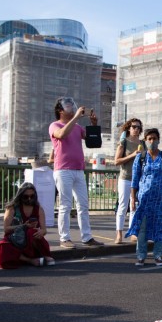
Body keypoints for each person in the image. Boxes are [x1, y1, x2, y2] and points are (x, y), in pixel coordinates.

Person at [49, 97, 104, 249]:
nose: (72, 107)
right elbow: (61, 134)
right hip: (63, 169)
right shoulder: (55, 125)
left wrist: (94, 125)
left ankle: (87, 237)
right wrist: (75, 118)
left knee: (83, 205)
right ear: (60, 110)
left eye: (71, 105)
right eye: (68, 106)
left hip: (78, 169)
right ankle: (64, 238)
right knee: (65, 205)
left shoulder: (77, 126)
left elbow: (92, 141)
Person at [126, 128, 162, 266]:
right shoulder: (140, 158)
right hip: (144, 200)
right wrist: (133, 198)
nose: (152, 141)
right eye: (149, 139)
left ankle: (158, 255)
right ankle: (141, 255)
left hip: (160, 200)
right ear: (145, 140)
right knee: (142, 228)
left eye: (154, 138)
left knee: (159, 227)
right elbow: (135, 180)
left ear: (159, 140)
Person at [0, 183, 54, 268]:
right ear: (20, 196)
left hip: (31, 240)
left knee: (32, 232)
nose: (29, 199)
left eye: (32, 196)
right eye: (26, 197)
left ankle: (43, 255)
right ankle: (30, 260)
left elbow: (44, 230)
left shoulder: (39, 209)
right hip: (15, 238)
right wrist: (24, 226)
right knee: (2, 248)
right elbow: (6, 229)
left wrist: (41, 232)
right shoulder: (12, 208)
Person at [113, 118, 144, 243]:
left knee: (134, 206)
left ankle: (132, 232)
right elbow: (116, 161)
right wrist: (132, 155)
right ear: (129, 128)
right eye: (134, 127)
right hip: (125, 178)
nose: (136, 129)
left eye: (138, 127)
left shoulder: (142, 143)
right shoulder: (124, 142)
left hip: (138, 179)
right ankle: (119, 234)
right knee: (123, 206)